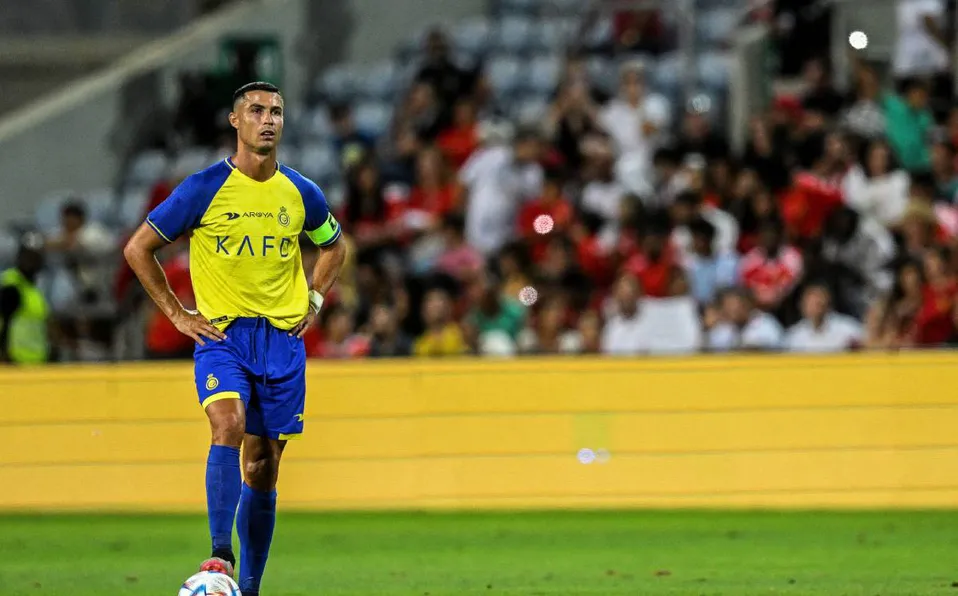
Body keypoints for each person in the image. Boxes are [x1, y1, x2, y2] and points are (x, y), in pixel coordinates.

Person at [123, 82, 347, 596]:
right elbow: (139, 249)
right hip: (222, 335)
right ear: (234, 121)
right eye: (257, 111)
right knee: (227, 422)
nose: (268, 120)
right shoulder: (203, 188)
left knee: (263, 466)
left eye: (276, 112)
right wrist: (178, 315)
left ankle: (248, 588)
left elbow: (333, 247)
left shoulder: (301, 193)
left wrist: (313, 300)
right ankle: (219, 555)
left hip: (282, 343)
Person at [0, 233, 50, 364]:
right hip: (13, 361)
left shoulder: (34, 288)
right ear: (19, 257)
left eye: (35, 256)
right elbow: (5, 321)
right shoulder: (11, 285)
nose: (31, 262)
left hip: (36, 362)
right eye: (28, 256)